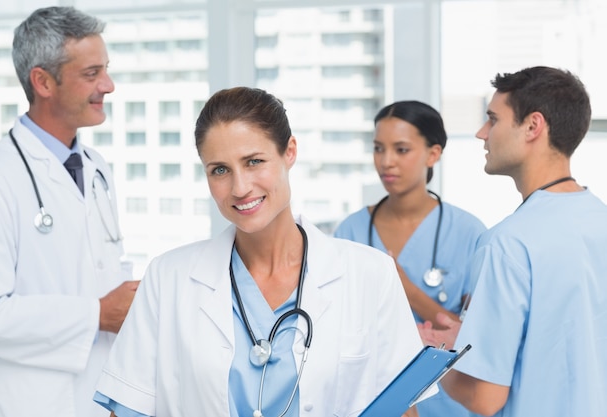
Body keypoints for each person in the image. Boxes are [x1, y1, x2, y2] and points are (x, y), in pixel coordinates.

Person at [93, 86, 428, 417]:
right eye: (220, 170)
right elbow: (128, 409)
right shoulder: (168, 278)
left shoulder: (370, 274)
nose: (240, 188)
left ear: (289, 152)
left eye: (254, 162)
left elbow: (401, 410)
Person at [419, 66, 607, 417]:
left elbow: (484, 399)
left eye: (492, 120)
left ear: (533, 126)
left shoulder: (507, 244)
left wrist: (436, 354)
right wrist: (477, 332)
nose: (481, 133)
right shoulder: (600, 221)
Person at [0, 7, 138, 417]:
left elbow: (101, 267)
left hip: (100, 397)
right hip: (30, 404)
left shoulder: (98, 168)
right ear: (43, 82)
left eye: (105, 69)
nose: (108, 85)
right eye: (91, 74)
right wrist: (97, 314)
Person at [333, 100, 486, 417]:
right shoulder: (350, 231)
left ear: (434, 154)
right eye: (378, 149)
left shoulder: (469, 232)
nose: (386, 162)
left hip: (446, 403)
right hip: (370, 399)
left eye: (401, 150)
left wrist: (406, 289)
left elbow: (475, 336)